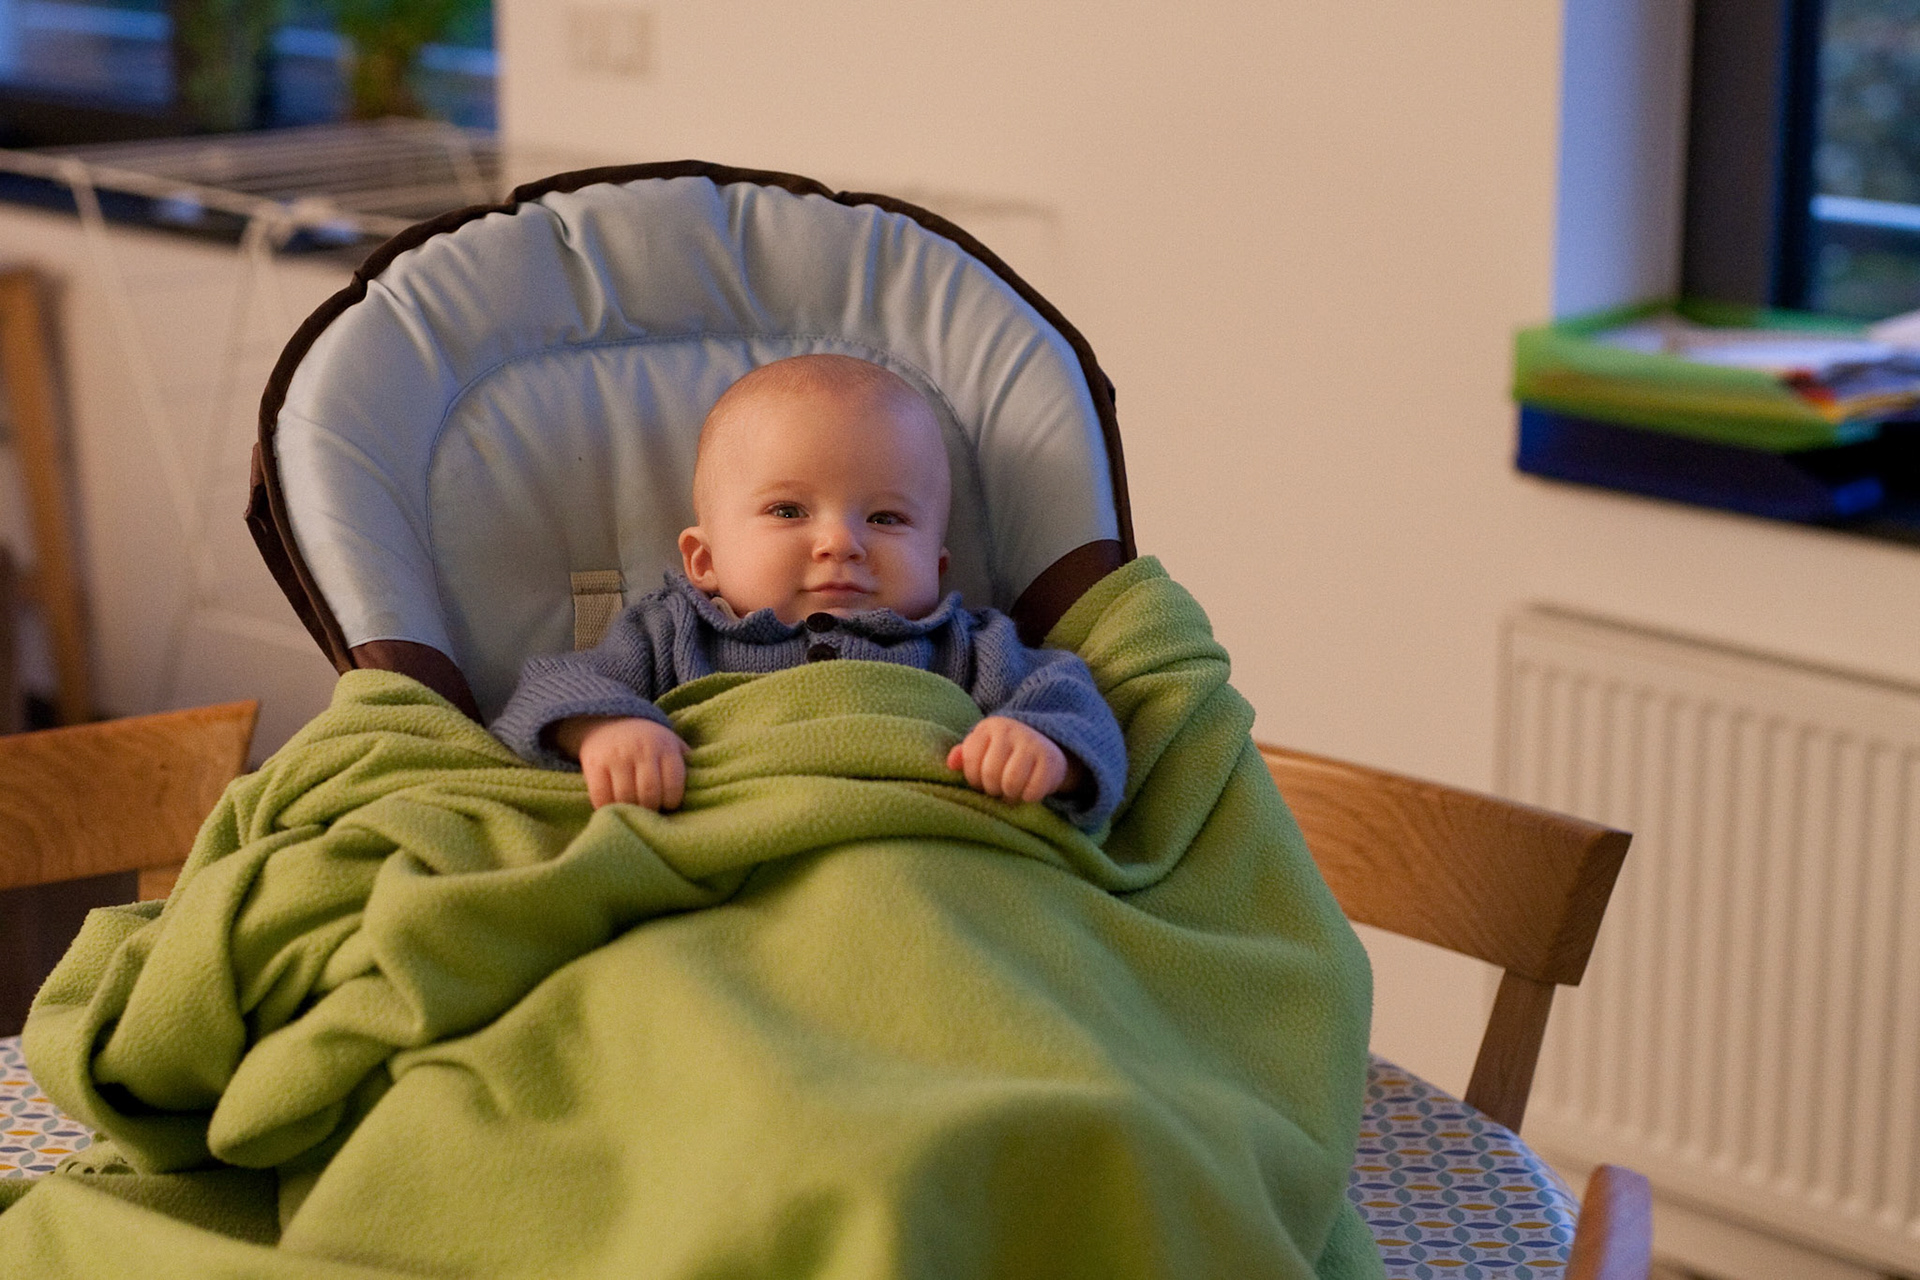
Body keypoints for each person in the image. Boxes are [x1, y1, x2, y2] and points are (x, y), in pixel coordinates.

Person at [490, 353, 1125, 830]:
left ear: (937, 566)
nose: (840, 543)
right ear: (703, 561)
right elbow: (551, 688)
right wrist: (609, 730)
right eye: (789, 511)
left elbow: (1073, 704)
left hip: (915, 850)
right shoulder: (672, 634)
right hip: (728, 848)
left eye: (885, 519)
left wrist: (1043, 747)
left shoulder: (970, 645)